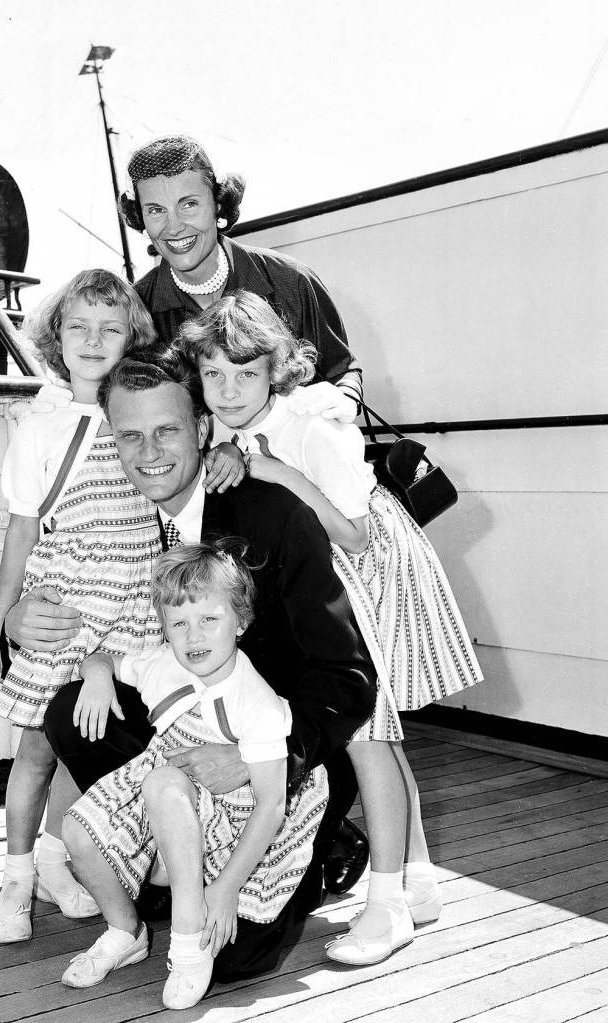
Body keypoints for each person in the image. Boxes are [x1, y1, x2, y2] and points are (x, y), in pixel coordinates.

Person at [29, 349, 377, 981]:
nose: (148, 452)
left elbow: (347, 680)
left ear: (203, 430)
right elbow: (52, 586)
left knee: (231, 964)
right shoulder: (117, 514)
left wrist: (253, 760)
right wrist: (17, 620)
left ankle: (323, 843)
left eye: (167, 430)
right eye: (130, 435)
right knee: (71, 711)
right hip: (180, 743)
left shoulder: (272, 516)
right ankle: (164, 875)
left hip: (276, 755)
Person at [179, 290, 484, 966]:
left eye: (246, 373)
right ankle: (418, 879)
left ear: (275, 371)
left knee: (365, 736)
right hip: (322, 577)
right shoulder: (224, 429)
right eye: (213, 375)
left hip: (365, 574)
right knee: (380, 741)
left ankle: (388, 905)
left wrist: (280, 474)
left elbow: (354, 533)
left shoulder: (313, 430)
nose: (229, 389)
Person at [60, 541, 329, 1009]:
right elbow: (100, 658)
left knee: (163, 783)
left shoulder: (256, 702)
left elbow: (271, 804)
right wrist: (98, 677)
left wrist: (224, 890)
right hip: (170, 795)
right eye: (178, 624)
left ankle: (188, 933)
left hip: (235, 817)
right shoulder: (163, 665)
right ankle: (126, 931)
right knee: (78, 830)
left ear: (240, 622)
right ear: (164, 630)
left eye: (209, 619)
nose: (194, 636)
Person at [0, 269, 165, 944]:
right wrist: (1, 624)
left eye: (110, 327)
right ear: (55, 335)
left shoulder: (141, 413)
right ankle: (17, 876)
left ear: (132, 337)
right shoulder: (39, 424)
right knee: (35, 749)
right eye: (78, 325)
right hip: (65, 601)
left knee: (98, 738)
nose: (93, 339)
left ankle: (69, 858)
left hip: (134, 604)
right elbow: (22, 529)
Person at [118, 133, 363, 423]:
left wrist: (345, 397)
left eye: (189, 204)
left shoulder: (291, 280)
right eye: (156, 210)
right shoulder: (135, 308)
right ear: (140, 218)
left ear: (217, 205)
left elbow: (342, 370)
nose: (173, 227)